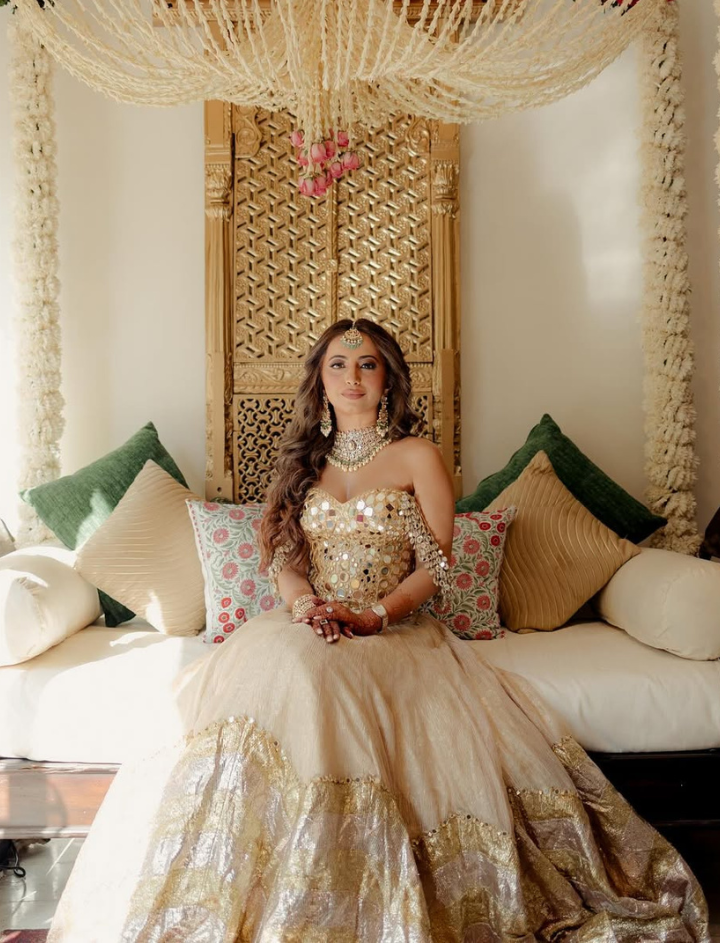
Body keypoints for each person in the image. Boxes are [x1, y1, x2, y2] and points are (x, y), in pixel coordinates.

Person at [49, 318, 708, 942]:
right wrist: (306, 607)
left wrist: (374, 615)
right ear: (321, 380)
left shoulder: (416, 456)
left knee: (325, 672)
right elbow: (283, 561)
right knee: (296, 668)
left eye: (367, 364)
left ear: (388, 379)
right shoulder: (302, 461)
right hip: (308, 622)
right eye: (338, 364)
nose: (352, 376)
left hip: (391, 627)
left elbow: (437, 566)